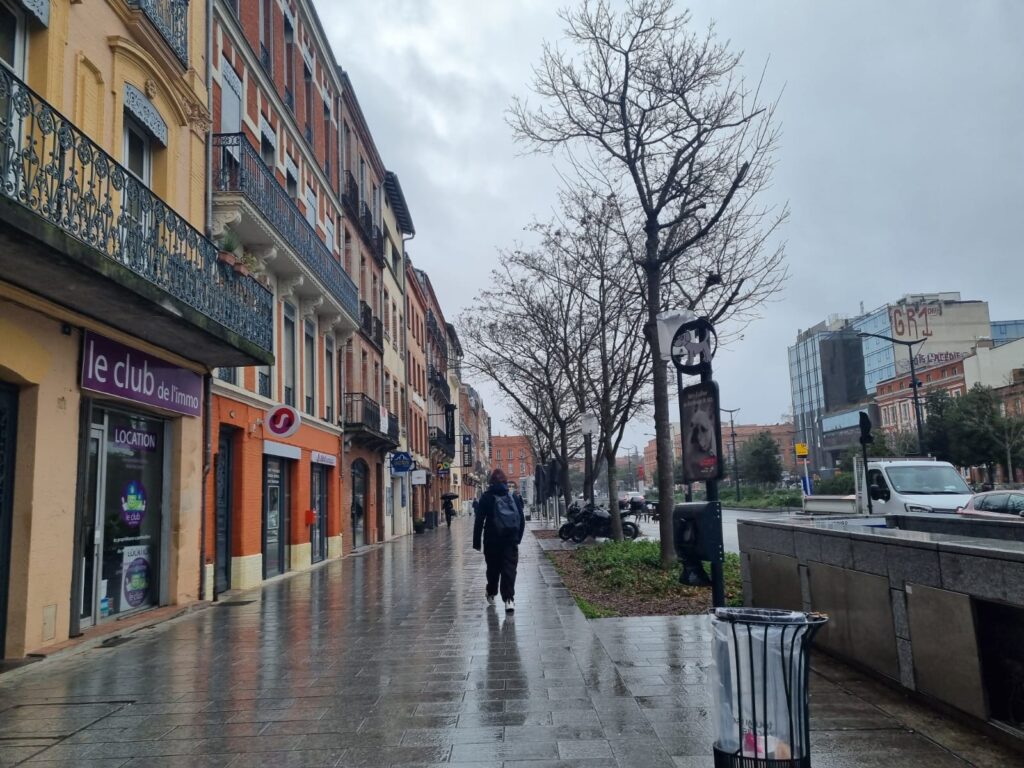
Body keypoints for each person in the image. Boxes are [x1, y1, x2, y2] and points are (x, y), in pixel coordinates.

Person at [473, 468, 525, 612]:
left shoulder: (486, 497)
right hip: (510, 540)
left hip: (492, 540)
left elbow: (479, 521)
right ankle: (509, 599)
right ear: (505, 481)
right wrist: (517, 538)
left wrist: (476, 542)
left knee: (493, 569)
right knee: (509, 569)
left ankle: (491, 593)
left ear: (490, 482)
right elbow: (521, 519)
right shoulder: (512, 495)